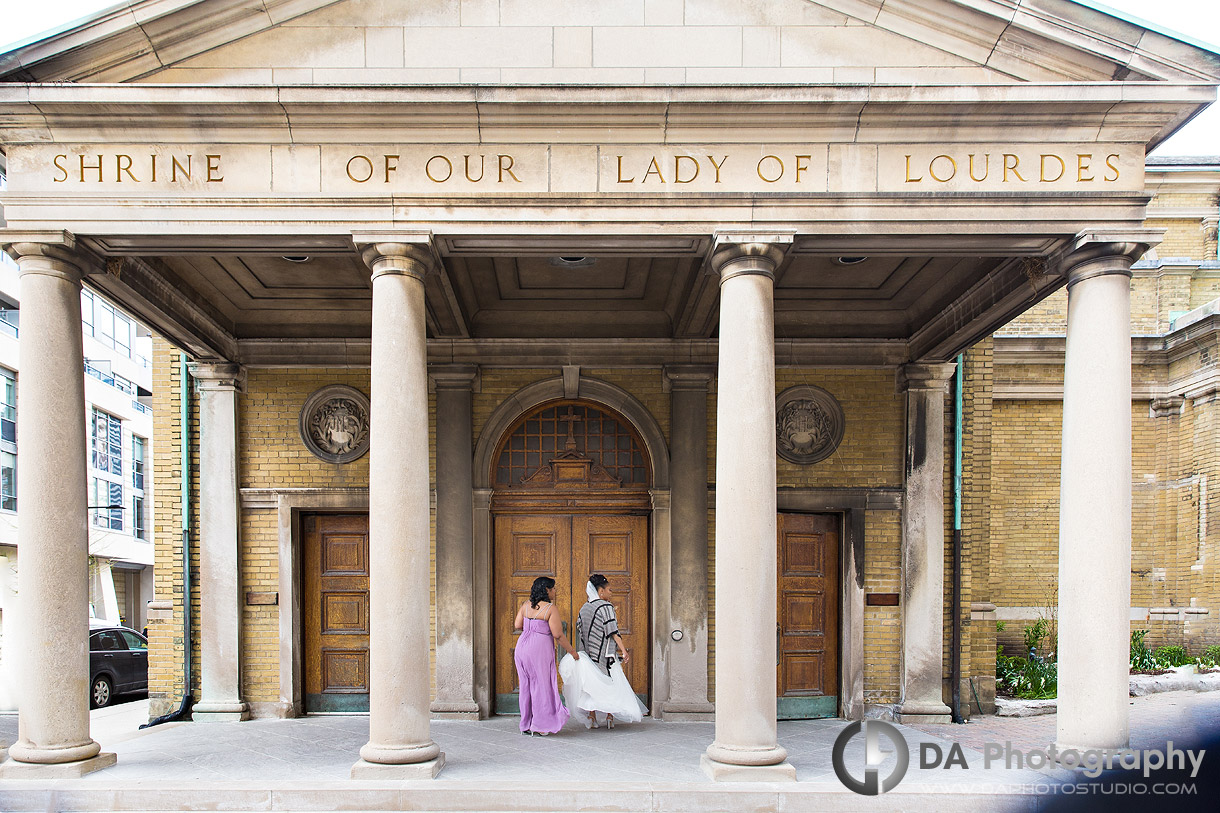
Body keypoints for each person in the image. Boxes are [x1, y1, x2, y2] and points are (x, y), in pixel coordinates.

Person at [560, 573, 647, 729]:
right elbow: (612, 631)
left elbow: (580, 629)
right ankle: (609, 717)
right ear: (601, 592)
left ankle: (592, 718)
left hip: (588, 655)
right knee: (611, 684)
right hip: (606, 655)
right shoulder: (606, 607)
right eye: (609, 590)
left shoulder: (584, 607)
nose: (611, 593)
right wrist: (623, 651)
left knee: (591, 687)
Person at [513, 575, 580, 736]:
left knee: (526, 685)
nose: (555, 591)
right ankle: (541, 725)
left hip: (522, 648)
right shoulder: (550, 609)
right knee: (542, 685)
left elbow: (517, 625)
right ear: (547, 590)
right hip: (539, 649)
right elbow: (558, 634)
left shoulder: (525, 606)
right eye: (553, 588)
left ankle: (526, 724)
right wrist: (572, 651)